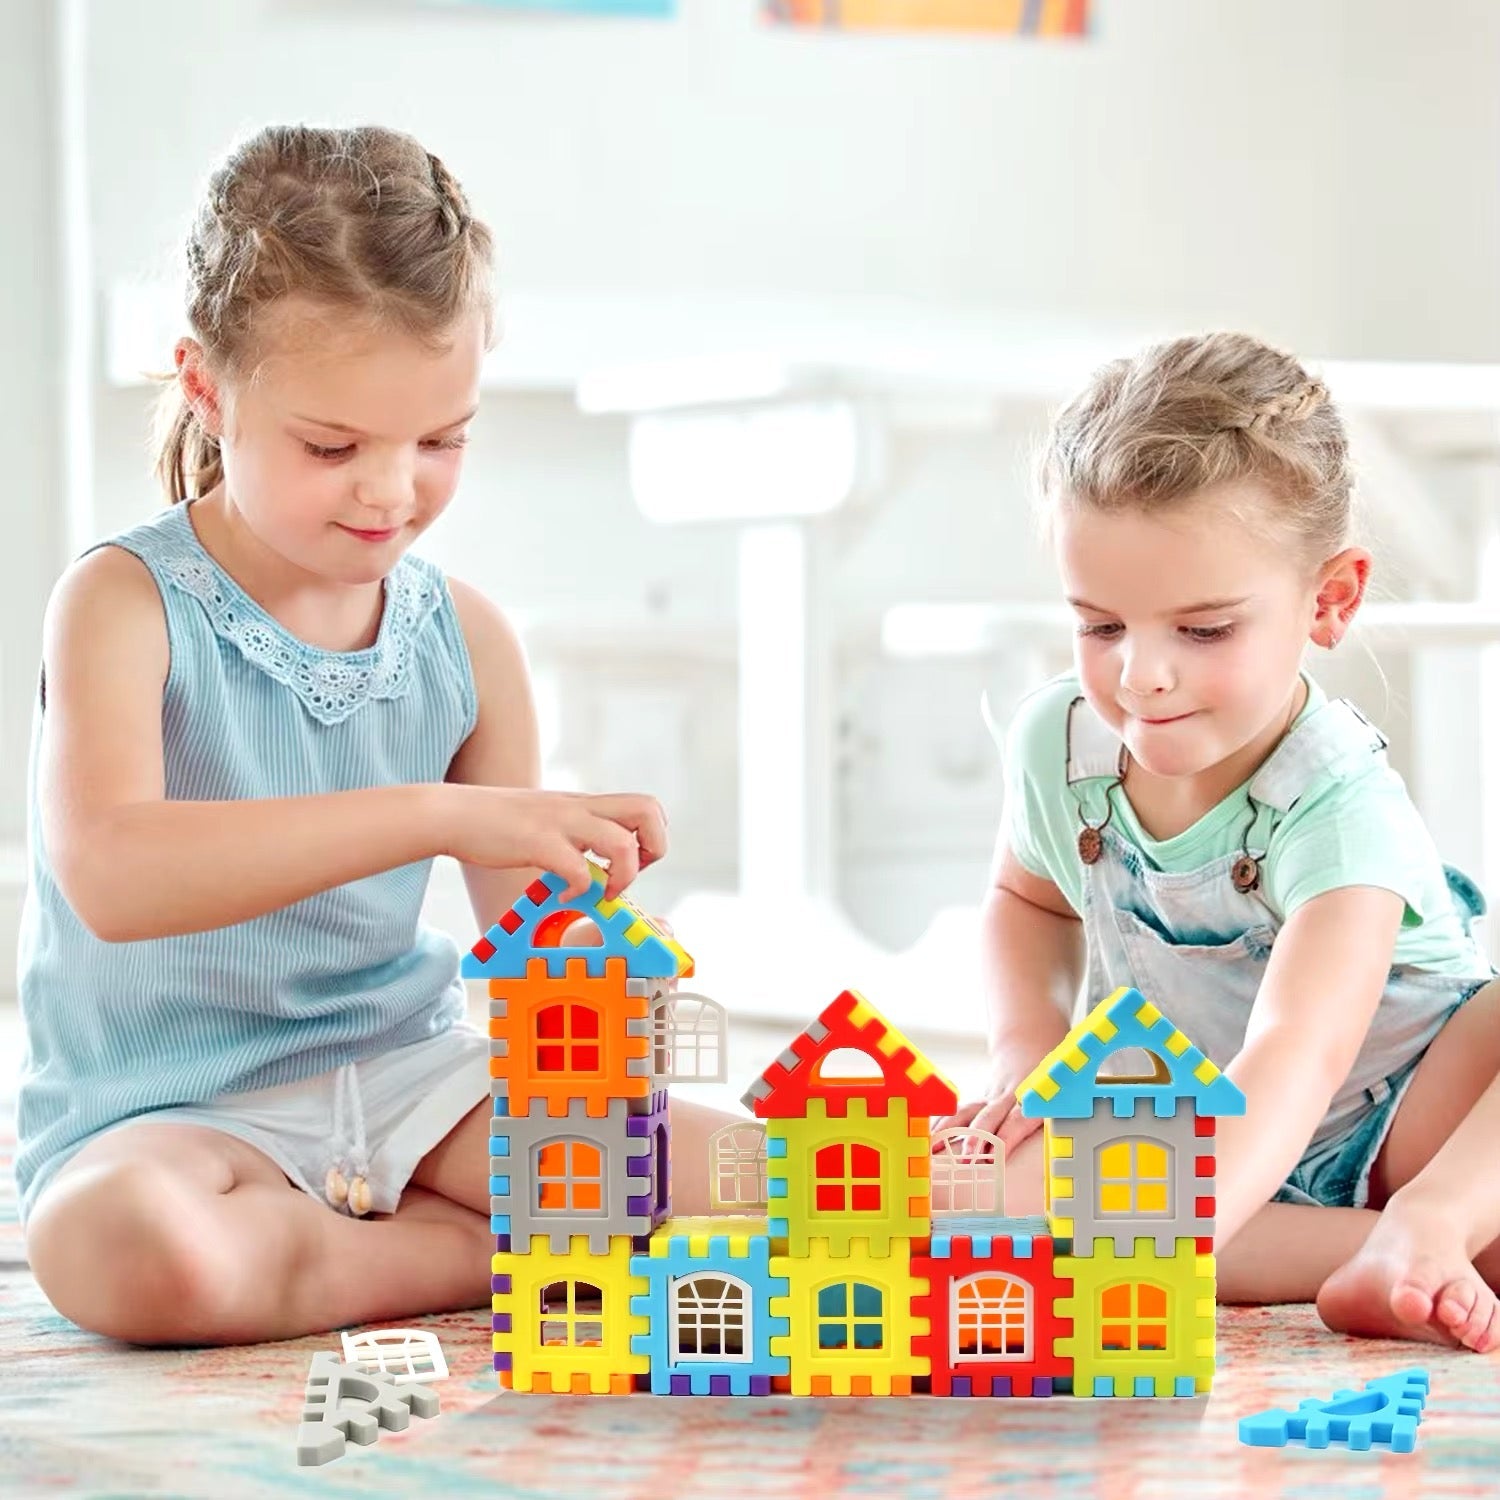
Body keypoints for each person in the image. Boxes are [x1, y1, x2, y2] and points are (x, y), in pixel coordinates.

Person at [18, 123, 735, 1346]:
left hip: (413, 1085)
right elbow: (116, 877)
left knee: (751, 1166)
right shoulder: (122, 602)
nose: (393, 492)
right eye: (333, 446)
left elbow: (530, 931)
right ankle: (473, 1252)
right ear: (206, 386)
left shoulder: (465, 637)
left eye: (442, 441)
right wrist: (440, 812)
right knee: (125, 1256)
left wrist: (604, 931)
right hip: (170, 1119)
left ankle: (1170, 1238)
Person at [937, 331, 1500, 1353]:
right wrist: (1031, 1057)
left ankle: (1431, 1225)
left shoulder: (1336, 803)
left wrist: (1158, 1245)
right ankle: (1364, 1251)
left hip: (1418, 1115)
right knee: (968, 1199)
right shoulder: (1061, 751)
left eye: (1202, 632)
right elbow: (1027, 902)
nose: (1142, 676)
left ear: (1328, 601)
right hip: (1198, 1139)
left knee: (1099, 1222)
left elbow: (1299, 1050)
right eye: (1101, 627)